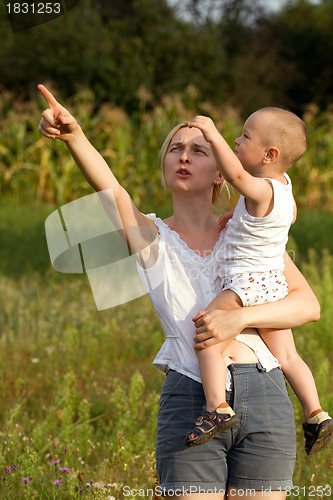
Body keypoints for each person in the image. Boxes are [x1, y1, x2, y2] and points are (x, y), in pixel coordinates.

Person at [38, 84, 321, 499]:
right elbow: (112, 189)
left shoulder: (248, 236)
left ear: (223, 170)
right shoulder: (152, 238)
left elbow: (307, 305)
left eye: (199, 149)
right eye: (175, 148)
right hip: (192, 396)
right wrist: (74, 137)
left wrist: (240, 317)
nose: (184, 155)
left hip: (266, 392)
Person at [183, 112, 333, 454]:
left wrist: (211, 131)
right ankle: (316, 412)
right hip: (273, 284)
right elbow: (273, 219)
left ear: (270, 155)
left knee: (207, 334)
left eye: (245, 136)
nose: (236, 140)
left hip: (244, 284)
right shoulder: (284, 188)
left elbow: (236, 175)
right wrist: (232, 219)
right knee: (288, 355)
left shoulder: (259, 189)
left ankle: (216, 407)